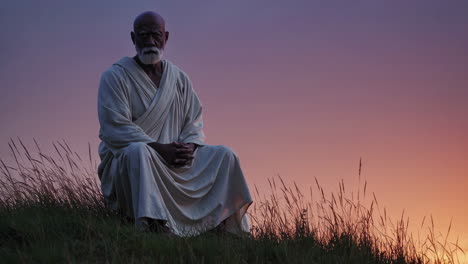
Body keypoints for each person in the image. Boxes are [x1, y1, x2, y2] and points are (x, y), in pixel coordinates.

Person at [97, 11, 252, 237]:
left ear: (166, 37)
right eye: (143, 35)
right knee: (139, 151)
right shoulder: (115, 77)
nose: (150, 41)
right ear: (133, 38)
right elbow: (115, 128)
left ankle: (225, 227)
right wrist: (159, 149)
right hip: (135, 162)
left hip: (175, 161)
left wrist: (190, 146)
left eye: (155, 35)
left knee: (225, 156)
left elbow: (193, 122)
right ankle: (155, 226)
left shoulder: (179, 78)